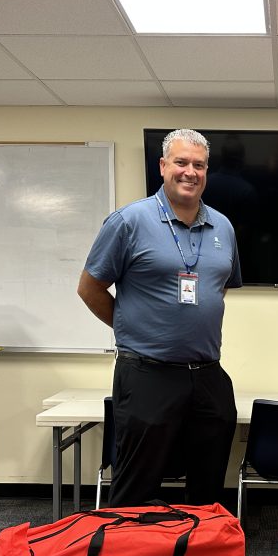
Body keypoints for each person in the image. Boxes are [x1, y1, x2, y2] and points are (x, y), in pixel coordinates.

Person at [77, 128, 242, 507]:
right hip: (147, 373)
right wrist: (134, 327)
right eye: (181, 162)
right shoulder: (128, 221)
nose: (190, 172)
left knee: (208, 486)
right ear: (163, 166)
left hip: (207, 374)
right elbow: (90, 289)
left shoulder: (223, 227)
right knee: (138, 485)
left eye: (199, 165)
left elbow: (219, 288)